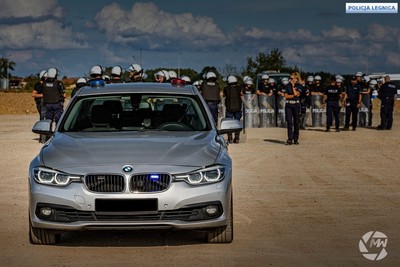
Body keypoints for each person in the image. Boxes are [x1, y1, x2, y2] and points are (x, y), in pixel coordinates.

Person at [284, 72, 303, 145]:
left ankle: (296, 138)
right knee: (289, 122)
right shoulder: (287, 86)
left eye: (292, 78)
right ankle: (289, 138)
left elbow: (296, 94)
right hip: (289, 105)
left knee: (296, 122)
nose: (290, 80)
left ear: (296, 79)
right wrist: (293, 96)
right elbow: (286, 96)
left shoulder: (299, 86)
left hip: (296, 105)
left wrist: (293, 87)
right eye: (290, 78)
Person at [223, 75, 243, 143]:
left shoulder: (226, 88)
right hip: (238, 109)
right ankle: (237, 138)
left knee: (229, 124)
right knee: (237, 123)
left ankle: (230, 138)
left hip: (229, 109)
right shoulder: (239, 88)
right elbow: (241, 94)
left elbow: (223, 95)